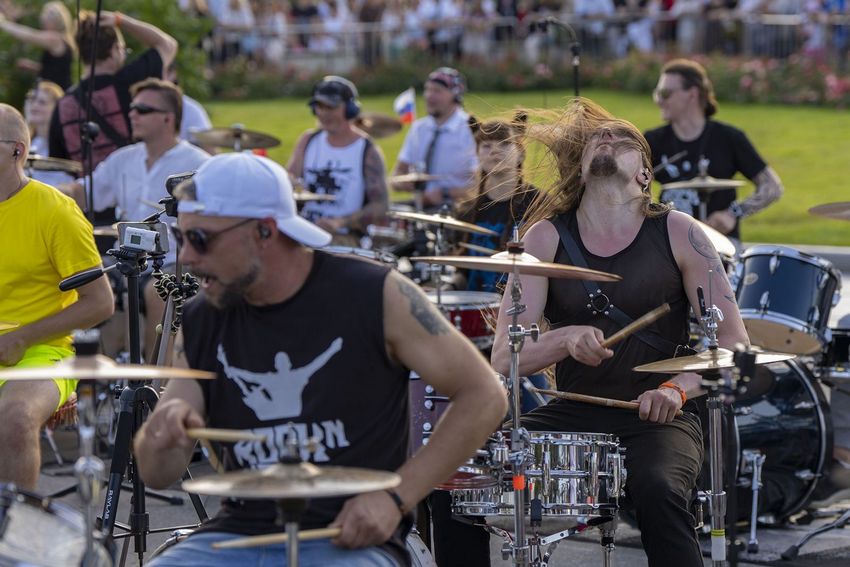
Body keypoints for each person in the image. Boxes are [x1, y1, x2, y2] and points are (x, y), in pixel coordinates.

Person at [133, 152, 507, 566]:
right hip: (239, 533)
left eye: (200, 239)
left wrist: (395, 498)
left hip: (350, 541)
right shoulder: (205, 316)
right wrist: (160, 437)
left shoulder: (376, 294)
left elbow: (484, 394)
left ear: (264, 231)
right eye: (181, 238)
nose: (185, 257)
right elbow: (157, 472)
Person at [483, 98, 750, 566]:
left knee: (660, 489)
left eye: (624, 139)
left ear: (645, 174)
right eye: (598, 139)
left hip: (659, 416)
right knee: (464, 477)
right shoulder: (544, 238)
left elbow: (734, 345)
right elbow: (504, 359)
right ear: (582, 169)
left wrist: (677, 389)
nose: (607, 139)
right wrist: (563, 340)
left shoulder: (681, 232)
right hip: (574, 412)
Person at [0, 104, 113, 489]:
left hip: (42, 349)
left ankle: (15, 540)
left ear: (17, 151)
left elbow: (100, 302)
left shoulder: (55, 210)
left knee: (15, 419)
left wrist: (21, 337)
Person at [59, 78, 210, 361]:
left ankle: (155, 387)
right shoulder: (123, 159)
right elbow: (81, 192)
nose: (132, 115)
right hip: (125, 259)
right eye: (131, 109)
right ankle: (95, 384)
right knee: (81, 282)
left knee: (160, 293)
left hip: (174, 262)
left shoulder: (199, 163)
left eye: (142, 109)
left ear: (168, 118)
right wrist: (36, 188)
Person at [644, 58, 784, 245]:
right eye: (657, 94)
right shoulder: (652, 141)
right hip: (670, 245)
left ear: (692, 94)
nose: (659, 101)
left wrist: (733, 213)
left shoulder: (728, 138)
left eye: (665, 93)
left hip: (721, 247)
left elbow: (772, 187)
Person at [49, 10, 177, 173]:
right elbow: (167, 44)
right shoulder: (131, 82)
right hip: (132, 186)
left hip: (85, 194)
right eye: (123, 49)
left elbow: (57, 163)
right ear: (115, 50)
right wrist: (120, 20)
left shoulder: (63, 105)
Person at [286, 75, 389, 247]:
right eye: (319, 107)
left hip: (344, 236)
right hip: (305, 229)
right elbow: (289, 180)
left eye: (331, 107)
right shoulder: (308, 140)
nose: (324, 113)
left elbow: (380, 206)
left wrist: (340, 222)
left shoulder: (367, 150)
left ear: (350, 109)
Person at [457, 113, 538, 293]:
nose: (495, 151)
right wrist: (447, 286)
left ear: (521, 154)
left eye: (505, 144)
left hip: (519, 308)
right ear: (477, 155)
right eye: (486, 146)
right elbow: (462, 271)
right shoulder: (467, 211)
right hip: (474, 311)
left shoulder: (540, 205)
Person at [392, 67, 478, 209]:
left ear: (455, 95)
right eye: (428, 90)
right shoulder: (419, 128)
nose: (429, 96)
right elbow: (397, 174)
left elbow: (483, 186)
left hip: (457, 208)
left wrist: (445, 193)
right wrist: (404, 183)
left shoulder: (470, 129)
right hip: (421, 205)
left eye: (437, 91)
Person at [0, 2, 76, 89]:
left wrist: (2, 23)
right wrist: (32, 66)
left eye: (45, 19)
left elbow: (29, 36)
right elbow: (54, 70)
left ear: (54, 22)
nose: (42, 22)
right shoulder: (61, 40)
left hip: (56, 93)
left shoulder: (55, 39)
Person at [23, 80, 74, 187]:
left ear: (57, 108)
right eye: (32, 100)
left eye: (42, 102)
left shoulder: (67, 145)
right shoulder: (29, 142)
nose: (34, 105)